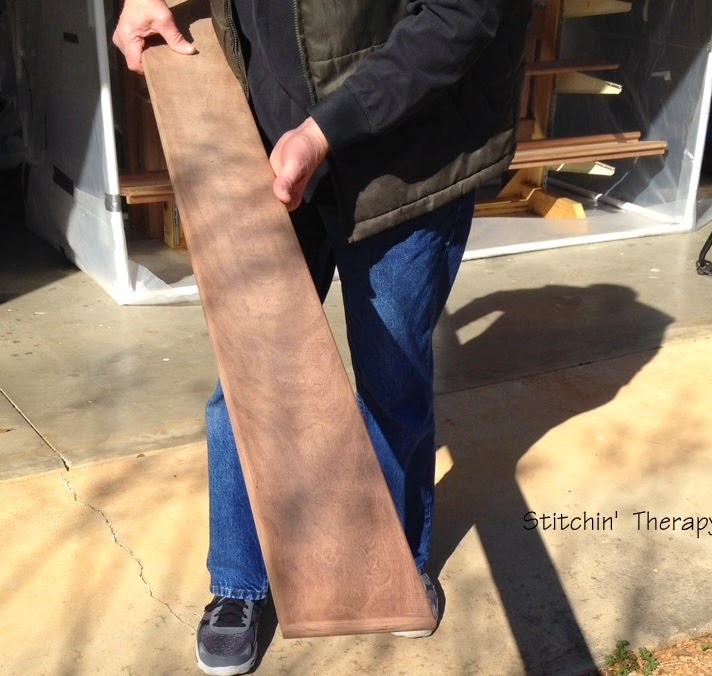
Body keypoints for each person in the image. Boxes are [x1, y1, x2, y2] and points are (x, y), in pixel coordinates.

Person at [114, 0, 531, 673]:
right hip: (265, 137)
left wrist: (324, 130)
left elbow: (462, 13)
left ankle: (394, 562)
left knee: (392, 377)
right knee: (250, 374)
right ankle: (240, 583)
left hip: (412, 156)